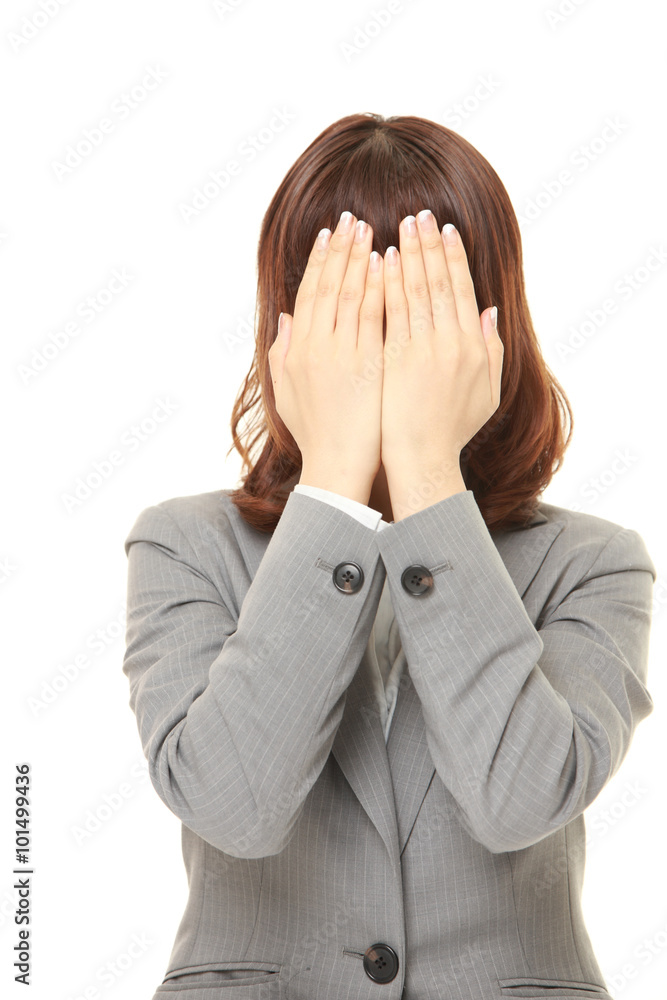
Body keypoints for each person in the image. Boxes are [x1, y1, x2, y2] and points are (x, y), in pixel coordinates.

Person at [122, 112, 656, 1000]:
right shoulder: (185, 545)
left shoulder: (593, 563)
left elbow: (519, 798)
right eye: (345, 310)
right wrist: (332, 478)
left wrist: (425, 470)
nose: (382, 345)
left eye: (421, 310)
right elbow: (231, 808)